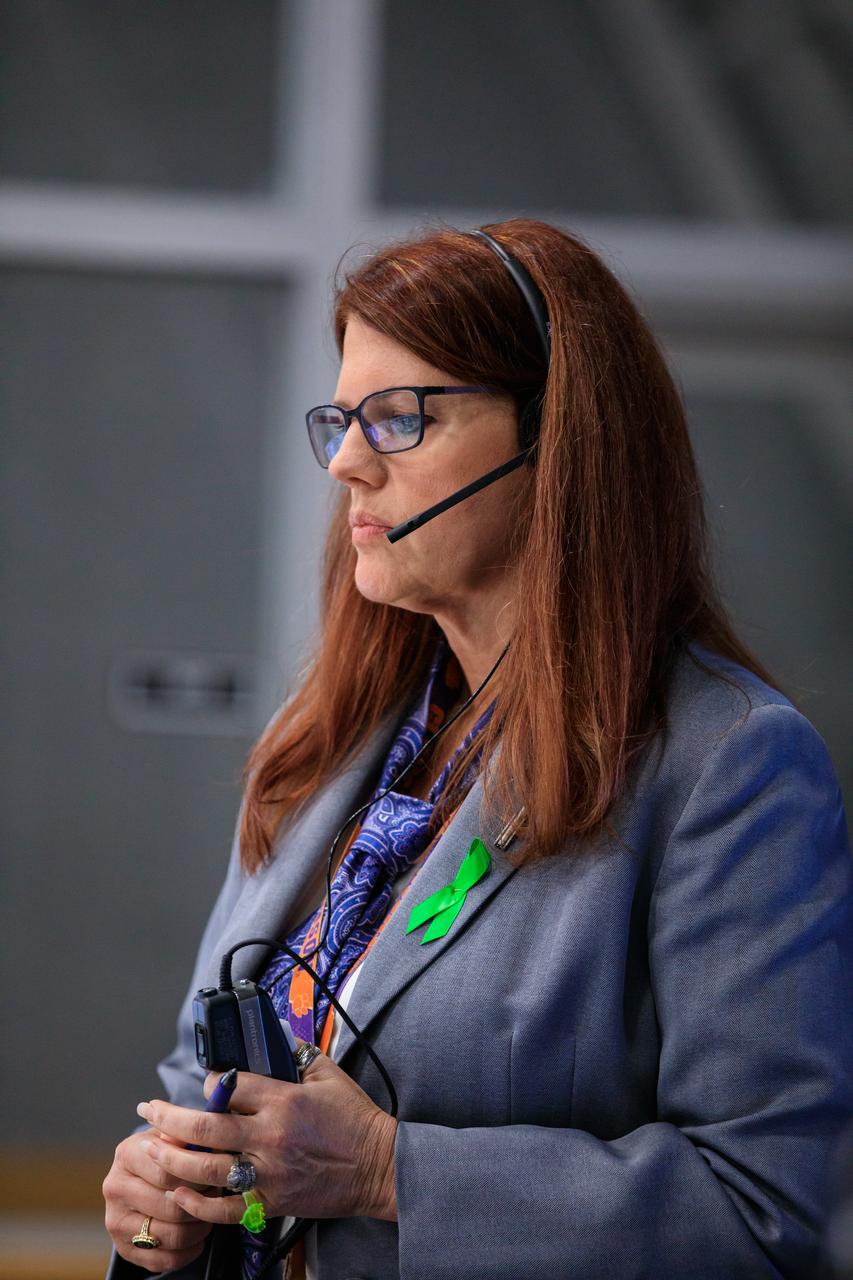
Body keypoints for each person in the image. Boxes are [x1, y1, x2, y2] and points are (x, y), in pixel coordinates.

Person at [103, 218, 853, 1280]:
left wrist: (387, 1170)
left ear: (557, 437)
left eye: (401, 418)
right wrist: (160, 1193)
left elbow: (767, 1213)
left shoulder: (726, 765)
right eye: (342, 418)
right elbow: (203, 1080)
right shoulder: (326, 743)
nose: (350, 464)